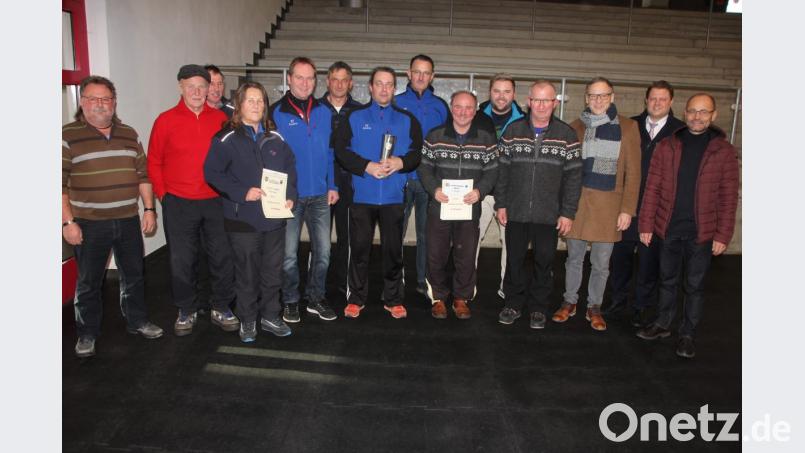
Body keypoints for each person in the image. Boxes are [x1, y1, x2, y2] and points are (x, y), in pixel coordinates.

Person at [63, 75, 163, 358]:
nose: (100, 105)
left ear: (114, 102)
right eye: (93, 99)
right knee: (89, 281)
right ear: (82, 103)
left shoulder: (129, 134)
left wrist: (150, 210)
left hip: (127, 219)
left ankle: (137, 321)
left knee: (134, 275)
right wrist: (68, 222)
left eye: (105, 99)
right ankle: (86, 333)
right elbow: (58, 183)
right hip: (88, 223)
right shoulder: (68, 135)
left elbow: (143, 176)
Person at [636, 93, 739, 359]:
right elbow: (652, 187)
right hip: (668, 228)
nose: (697, 116)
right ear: (685, 112)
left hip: (701, 232)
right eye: (693, 111)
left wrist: (723, 234)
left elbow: (729, 196)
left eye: (704, 112)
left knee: (694, 286)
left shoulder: (724, 150)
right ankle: (663, 323)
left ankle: (687, 334)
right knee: (666, 280)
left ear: (713, 115)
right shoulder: (668, 145)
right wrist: (646, 223)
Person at [147, 64, 239, 336]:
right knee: (182, 259)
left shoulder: (220, 119)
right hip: (179, 202)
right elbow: (154, 161)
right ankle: (186, 309)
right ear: (180, 87)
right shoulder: (165, 120)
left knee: (222, 256)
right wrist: (164, 196)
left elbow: (231, 159)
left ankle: (221, 306)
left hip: (214, 201)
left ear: (210, 88)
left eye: (203, 86)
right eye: (191, 87)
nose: (198, 92)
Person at [204, 82, 298, 342]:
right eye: (251, 101)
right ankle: (247, 320)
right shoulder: (226, 138)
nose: (256, 105)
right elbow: (212, 173)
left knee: (272, 272)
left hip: (275, 219)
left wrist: (290, 196)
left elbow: (290, 169)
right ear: (239, 105)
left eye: (261, 101)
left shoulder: (276, 138)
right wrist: (242, 192)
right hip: (242, 219)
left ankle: (270, 316)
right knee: (246, 273)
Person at [551, 77, 641, 332]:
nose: (598, 100)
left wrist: (627, 209)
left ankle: (594, 306)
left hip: (609, 207)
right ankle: (569, 301)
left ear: (612, 97)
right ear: (586, 98)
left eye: (603, 95)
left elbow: (633, 174)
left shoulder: (628, 127)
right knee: (573, 259)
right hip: (577, 206)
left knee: (601, 263)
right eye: (593, 95)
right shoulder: (574, 127)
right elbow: (565, 173)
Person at [334, 66, 423, 319]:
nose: (384, 89)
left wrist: (400, 163)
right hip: (362, 197)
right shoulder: (354, 117)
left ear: (395, 88)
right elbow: (341, 151)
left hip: (394, 198)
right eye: (379, 84)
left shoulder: (408, 120)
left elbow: (417, 153)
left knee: (393, 251)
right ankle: (356, 298)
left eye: (389, 84)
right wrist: (366, 166)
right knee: (359, 250)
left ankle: (393, 298)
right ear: (370, 87)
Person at [496, 80, 582, 329]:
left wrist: (567, 212)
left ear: (555, 103)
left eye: (547, 100)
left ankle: (538, 308)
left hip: (549, 214)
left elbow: (574, 177)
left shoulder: (567, 135)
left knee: (545, 262)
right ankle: (512, 304)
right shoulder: (512, 131)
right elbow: (502, 172)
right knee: (515, 260)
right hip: (516, 211)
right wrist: (501, 203)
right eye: (537, 100)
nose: (542, 105)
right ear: (529, 102)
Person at [606, 81, 685, 327]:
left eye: (663, 99)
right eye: (653, 98)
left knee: (649, 262)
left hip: (658, 210)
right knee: (620, 257)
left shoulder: (680, 131)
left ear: (671, 102)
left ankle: (641, 306)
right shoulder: (630, 125)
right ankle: (618, 301)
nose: (657, 103)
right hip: (627, 205)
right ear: (645, 100)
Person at [268, 57, 339, 323]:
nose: (305, 83)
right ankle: (290, 300)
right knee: (288, 255)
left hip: (321, 195)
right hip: (290, 197)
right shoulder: (276, 112)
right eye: (299, 77)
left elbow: (330, 152)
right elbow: (270, 155)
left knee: (323, 253)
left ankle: (316, 298)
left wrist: (332, 185)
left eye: (310, 78)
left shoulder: (324, 111)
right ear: (289, 78)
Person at [417, 90, 498, 319]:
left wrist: (480, 191)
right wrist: (434, 189)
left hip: (469, 207)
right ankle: (439, 298)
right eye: (459, 107)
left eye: (468, 107)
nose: (463, 112)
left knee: (466, 254)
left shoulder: (485, 138)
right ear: (452, 109)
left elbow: (493, 171)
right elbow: (424, 168)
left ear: (475, 111)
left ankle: (461, 298)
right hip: (439, 206)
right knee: (436, 253)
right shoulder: (435, 135)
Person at [394, 54, 449, 297]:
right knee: (396, 233)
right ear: (408, 73)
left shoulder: (440, 106)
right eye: (417, 71)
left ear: (432, 76)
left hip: (429, 183)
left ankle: (423, 280)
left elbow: (447, 145)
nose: (421, 77)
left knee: (428, 235)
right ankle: (395, 280)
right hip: (402, 180)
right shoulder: (395, 103)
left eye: (426, 73)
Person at [476, 73, 526, 299]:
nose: (501, 96)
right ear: (490, 92)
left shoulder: (525, 121)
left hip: (511, 194)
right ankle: (466, 288)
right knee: (470, 242)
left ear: (514, 94)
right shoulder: (476, 118)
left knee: (511, 245)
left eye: (507, 91)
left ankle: (507, 288)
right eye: (497, 91)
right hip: (480, 192)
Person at [320, 61, 363, 298]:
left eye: (343, 79)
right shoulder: (314, 109)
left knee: (346, 236)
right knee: (320, 237)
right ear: (327, 81)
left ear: (351, 83)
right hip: (320, 182)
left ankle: (342, 282)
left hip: (349, 182)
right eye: (334, 79)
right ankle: (318, 282)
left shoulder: (359, 111)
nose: (338, 84)